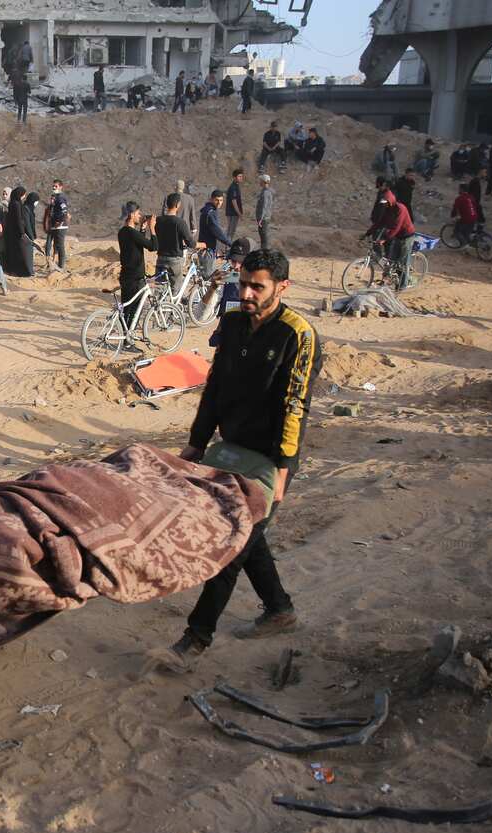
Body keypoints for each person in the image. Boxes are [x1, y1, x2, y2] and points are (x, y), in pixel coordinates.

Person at [162, 248, 321, 667]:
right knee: (249, 539)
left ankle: (196, 637)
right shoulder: (232, 323)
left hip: (268, 460)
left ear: (281, 287)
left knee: (231, 544)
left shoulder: (297, 334)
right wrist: (196, 443)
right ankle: (280, 609)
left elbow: (295, 405)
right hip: (227, 449)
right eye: (243, 283)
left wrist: (284, 468)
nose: (246, 293)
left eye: (257, 286)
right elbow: (214, 388)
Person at [116, 201, 157, 330]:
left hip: (126, 275)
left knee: (126, 310)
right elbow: (152, 246)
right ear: (132, 214)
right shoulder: (132, 233)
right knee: (134, 311)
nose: (140, 216)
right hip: (135, 278)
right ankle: (128, 340)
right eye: (138, 213)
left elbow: (137, 243)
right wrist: (152, 229)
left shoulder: (123, 232)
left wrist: (143, 229)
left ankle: (125, 336)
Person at [375, 189, 415, 290]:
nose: (385, 205)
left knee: (402, 261)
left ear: (391, 200)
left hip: (407, 236)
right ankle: (386, 280)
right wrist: (368, 233)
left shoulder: (400, 208)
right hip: (397, 236)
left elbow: (396, 227)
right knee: (391, 260)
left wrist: (385, 239)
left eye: (386, 202)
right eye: (384, 203)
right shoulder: (388, 209)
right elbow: (380, 222)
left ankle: (403, 285)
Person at [154, 193, 192, 287]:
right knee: (175, 288)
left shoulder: (158, 220)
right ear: (177, 205)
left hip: (160, 258)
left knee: (159, 287)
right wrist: (202, 244)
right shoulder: (180, 222)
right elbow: (190, 242)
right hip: (174, 261)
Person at [1, 187, 33, 278]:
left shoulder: (12, 203)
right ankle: (20, 271)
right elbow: (19, 219)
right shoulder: (17, 204)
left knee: (13, 251)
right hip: (17, 232)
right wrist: (22, 232)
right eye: (23, 194)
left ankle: (11, 270)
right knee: (19, 252)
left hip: (11, 231)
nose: (24, 196)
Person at [43, 179, 70, 273]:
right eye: (53, 186)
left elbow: (65, 211)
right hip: (54, 225)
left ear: (61, 187)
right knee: (53, 244)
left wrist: (60, 221)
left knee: (60, 245)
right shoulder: (55, 197)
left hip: (60, 226)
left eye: (56, 186)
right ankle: (54, 265)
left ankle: (61, 266)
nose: (54, 188)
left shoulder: (61, 197)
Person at [199, 190, 230, 257]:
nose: (219, 203)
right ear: (211, 199)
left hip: (205, 248)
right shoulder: (211, 212)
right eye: (217, 200)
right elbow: (217, 232)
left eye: (221, 200)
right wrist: (230, 243)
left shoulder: (208, 209)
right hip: (207, 250)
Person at [450, 183, 478, 248]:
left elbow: (454, 209)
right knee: (467, 232)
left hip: (466, 218)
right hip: (474, 217)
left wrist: (452, 217)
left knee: (456, 231)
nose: (458, 190)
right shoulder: (471, 197)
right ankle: (471, 243)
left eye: (459, 189)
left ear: (461, 189)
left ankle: (465, 245)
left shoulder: (459, 198)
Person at [172, 178, 198, 246]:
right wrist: (194, 228)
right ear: (183, 187)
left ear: (175, 187)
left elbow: (165, 213)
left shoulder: (170, 197)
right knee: (184, 249)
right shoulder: (190, 199)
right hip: (185, 228)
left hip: (172, 227)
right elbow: (192, 215)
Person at [255, 175, 275, 251]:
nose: (259, 182)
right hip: (265, 218)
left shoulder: (265, 192)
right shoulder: (266, 191)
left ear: (263, 182)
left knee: (264, 238)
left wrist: (260, 219)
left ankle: (265, 254)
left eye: (260, 181)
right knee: (264, 238)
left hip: (264, 219)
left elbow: (264, 206)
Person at [225, 169, 244, 240]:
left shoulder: (236, 186)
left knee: (231, 231)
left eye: (241, 176)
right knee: (231, 231)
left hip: (233, 213)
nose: (241, 178)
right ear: (234, 177)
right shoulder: (233, 187)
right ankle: (227, 247)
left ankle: (227, 246)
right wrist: (239, 213)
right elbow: (234, 202)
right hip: (232, 213)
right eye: (239, 176)